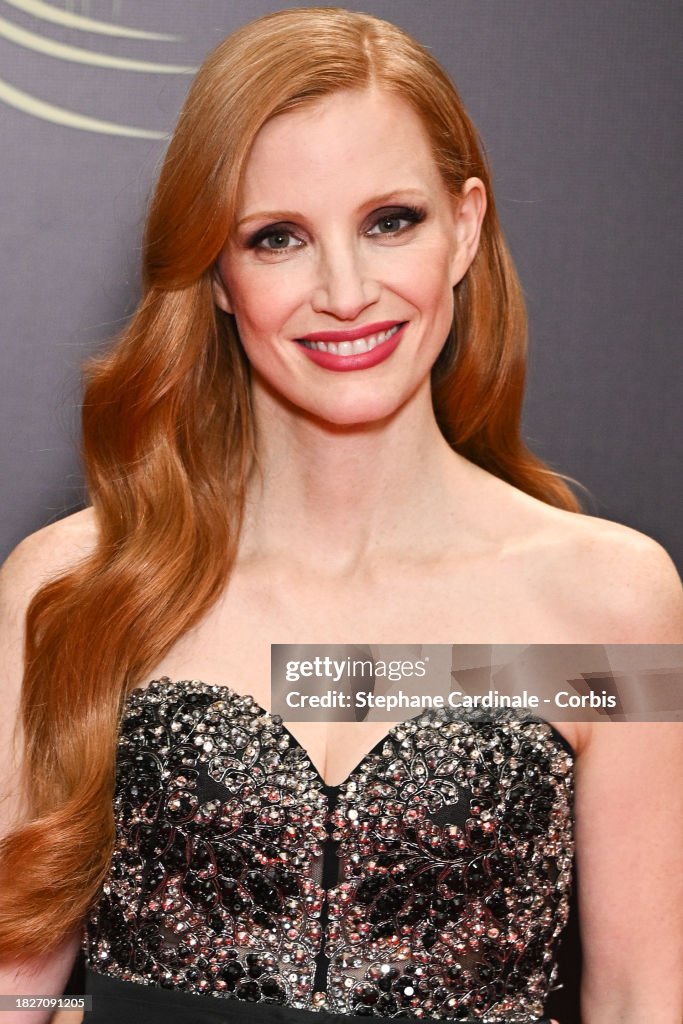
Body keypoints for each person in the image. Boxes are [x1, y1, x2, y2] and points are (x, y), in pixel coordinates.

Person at [0, 7, 681, 1024]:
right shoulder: (73, 584)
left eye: (389, 221)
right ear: (218, 273)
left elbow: (639, 998)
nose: (346, 291)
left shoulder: (608, 604)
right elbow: (12, 989)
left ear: (464, 225)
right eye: (276, 238)